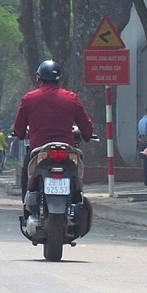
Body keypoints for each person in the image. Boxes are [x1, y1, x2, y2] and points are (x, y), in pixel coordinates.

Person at [8, 60, 95, 199]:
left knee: (27, 173)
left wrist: (22, 134)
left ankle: (26, 207)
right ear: (59, 80)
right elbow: (86, 126)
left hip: (38, 151)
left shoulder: (29, 98)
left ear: (38, 78)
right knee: (76, 176)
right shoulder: (71, 98)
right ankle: (77, 199)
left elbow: (18, 128)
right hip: (67, 150)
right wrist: (87, 135)